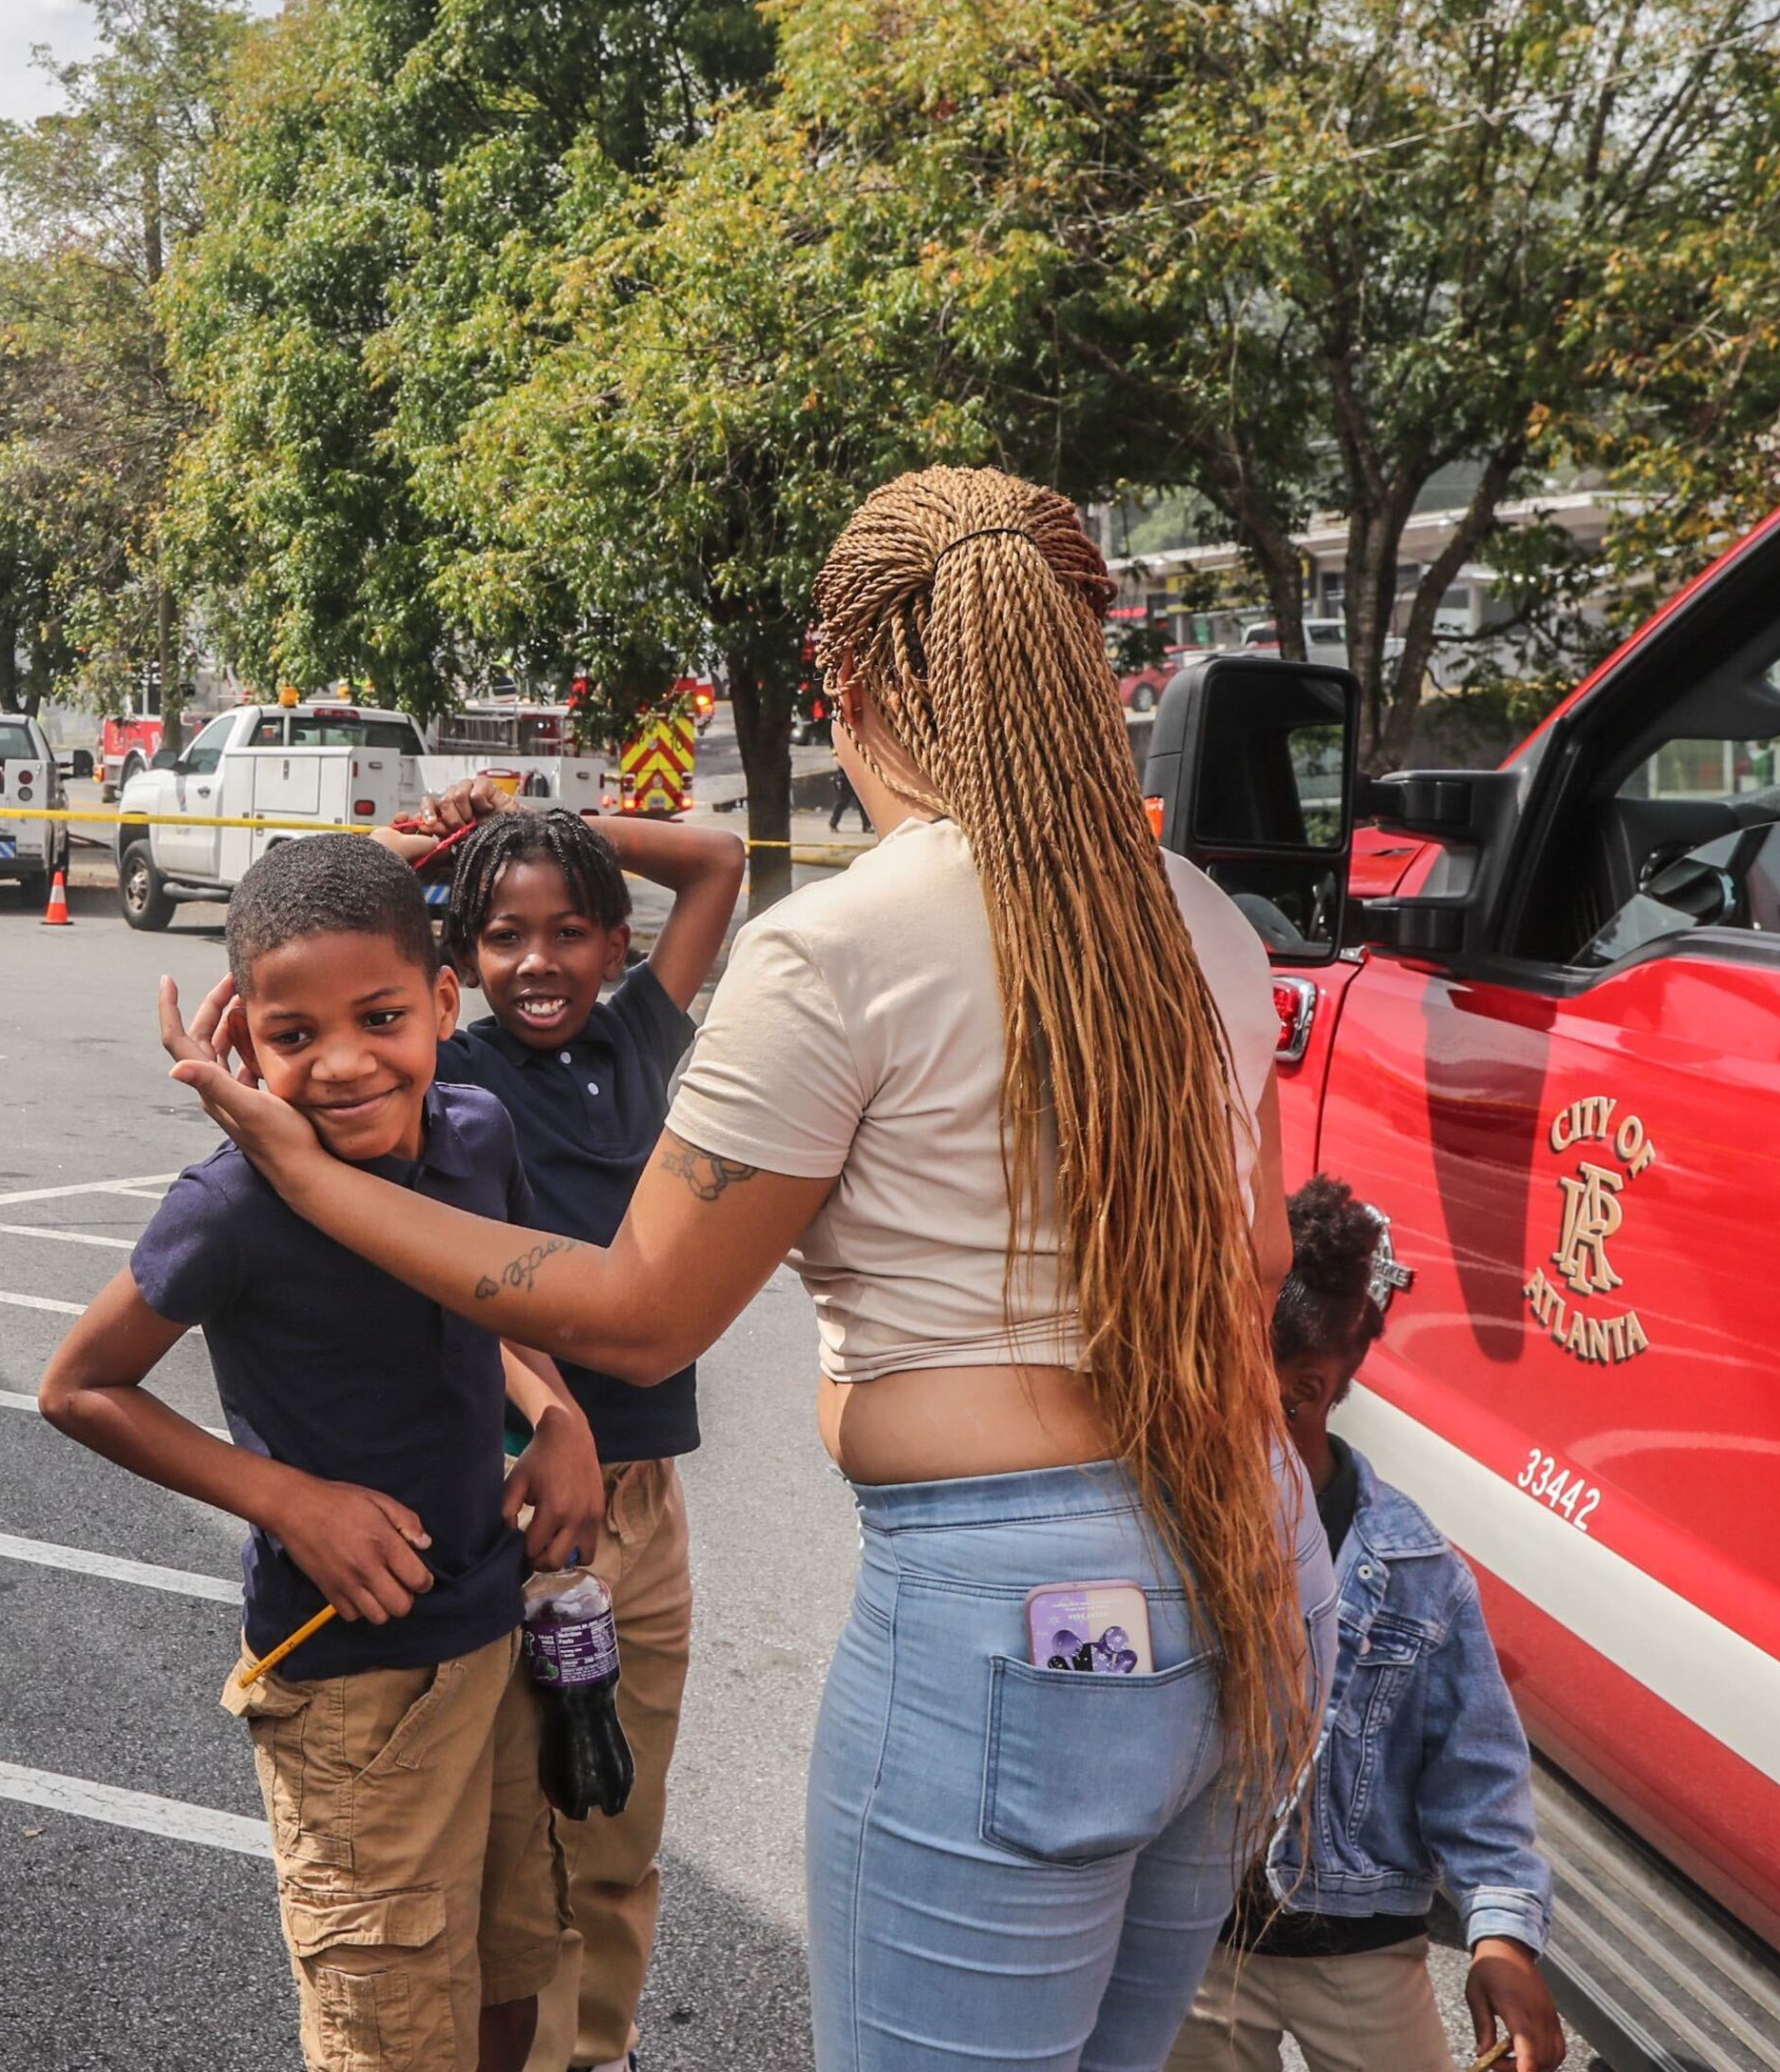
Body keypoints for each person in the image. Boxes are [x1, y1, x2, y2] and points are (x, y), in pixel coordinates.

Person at [155, 466, 1339, 2072]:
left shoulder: (841, 948)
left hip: (1019, 1611)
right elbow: (1261, 1261)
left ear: (847, 694)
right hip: (1253, 1549)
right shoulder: (1201, 917)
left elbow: (642, 1320)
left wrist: (306, 1174)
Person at [41, 834, 602, 2072]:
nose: (344, 1063)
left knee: (512, 1968)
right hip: (350, 1687)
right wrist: (287, 1497)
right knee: (390, 2019)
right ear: (245, 1041)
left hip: (491, 1630)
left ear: (445, 1004)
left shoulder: (476, 1131)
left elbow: (492, 1300)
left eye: (382, 1014)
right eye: (294, 1035)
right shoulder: (234, 1202)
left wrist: (561, 1415)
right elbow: (77, 1385)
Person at [373, 789, 743, 2072]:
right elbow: (450, 1278)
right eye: (503, 935)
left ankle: (607, 2045)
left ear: (616, 942)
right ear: (457, 959)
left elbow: (718, 859)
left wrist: (544, 815)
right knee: (527, 1832)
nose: (539, 962)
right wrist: (432, 842)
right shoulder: (452, 1074)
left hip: (648, 1497)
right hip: (529, 1488)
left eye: (572, 929)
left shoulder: (640, 1034)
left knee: (622, 1819)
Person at [1170, 1180, 1564, 2072]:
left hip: (1364, 1952)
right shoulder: (1169, 1527)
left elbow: (1479, 1777)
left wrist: (1502, 1936)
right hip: (1199, 1947)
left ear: (1313, 1387)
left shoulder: (1416, 1571)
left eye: (1253, 1394)